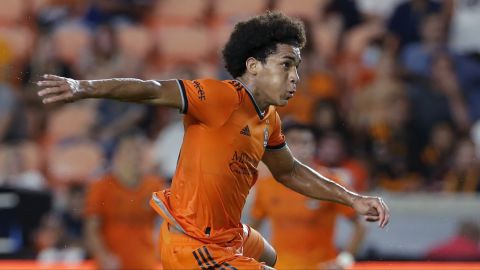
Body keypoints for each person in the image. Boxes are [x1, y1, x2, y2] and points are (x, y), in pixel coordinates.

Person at [37, 11, 389, 270]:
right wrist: (82, 87)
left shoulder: (269, 119)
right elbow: (151, 91)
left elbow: (290, 172)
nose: (295, 77)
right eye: (286, 65)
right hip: (192, 242)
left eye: (297, 67)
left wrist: (353, 199)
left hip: (230, 233)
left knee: (270, 256)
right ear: (253, 66)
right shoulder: (219, 97)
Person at [250, 123, 365, 269]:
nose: (300, 147)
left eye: (305, 142)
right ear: (281, 146)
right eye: (293, 141)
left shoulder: (330, 182)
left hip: (321, 266)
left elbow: (361, 225)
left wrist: (345, 259)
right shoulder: (266, 184)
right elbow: (253, 228)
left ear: (314, 146)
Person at [84, 133, 164, 269]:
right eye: (130, 150)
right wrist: (103, 256)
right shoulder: (101, 186)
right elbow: (92, 228)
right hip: (112, 265)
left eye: (139, 150)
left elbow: (166, 224)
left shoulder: (155, 186)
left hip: (146, 264)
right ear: (117, 155)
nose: (135, 156)